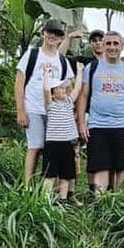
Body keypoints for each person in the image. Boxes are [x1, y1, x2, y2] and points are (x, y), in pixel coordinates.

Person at [76, 31, 124, 193]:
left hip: (123, 125)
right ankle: (100, 198)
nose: (112, 47)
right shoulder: (92, 68)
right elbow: (83, 96)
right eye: (108, 43)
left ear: (121, 47)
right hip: (97, 125)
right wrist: (82, 124)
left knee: (119, 167)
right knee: (101, 166)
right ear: (103, 45)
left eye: (115, 43)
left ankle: (115, 199)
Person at [14, 19, 74, 184]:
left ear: (61, 38)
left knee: (53, 148)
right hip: (33, 108)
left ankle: (49, 185)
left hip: (54, 112)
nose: (53, 36)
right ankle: (28, 186)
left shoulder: (62, 60)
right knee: (35, 146)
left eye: (57, 34)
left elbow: (68, 87)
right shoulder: (32, 55)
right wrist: (21, 111)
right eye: (50, 32)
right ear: (43, 34)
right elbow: (19, 83)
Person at [41, 64, 82, 204]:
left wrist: (79, 71)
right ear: (53, 94)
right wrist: (46, 73)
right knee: (50, 174)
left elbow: (77, 88)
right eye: (59, 88)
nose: (63, 89)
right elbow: (46, 89)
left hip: (68, 143)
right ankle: (44, 201)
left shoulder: (69, 102)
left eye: (63, 87)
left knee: (67, 174)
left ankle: (62, 200)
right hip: (53, 144)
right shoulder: (50, 105)